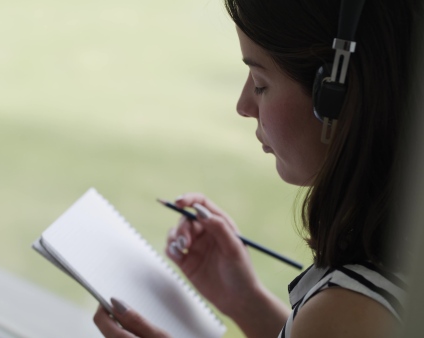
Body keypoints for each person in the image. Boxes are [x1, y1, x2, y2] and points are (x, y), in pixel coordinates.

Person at [93, 0, 419, 337]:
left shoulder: (352, 309)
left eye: (261, 83)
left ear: (335, 96)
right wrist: (246, 301)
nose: (244, 105)